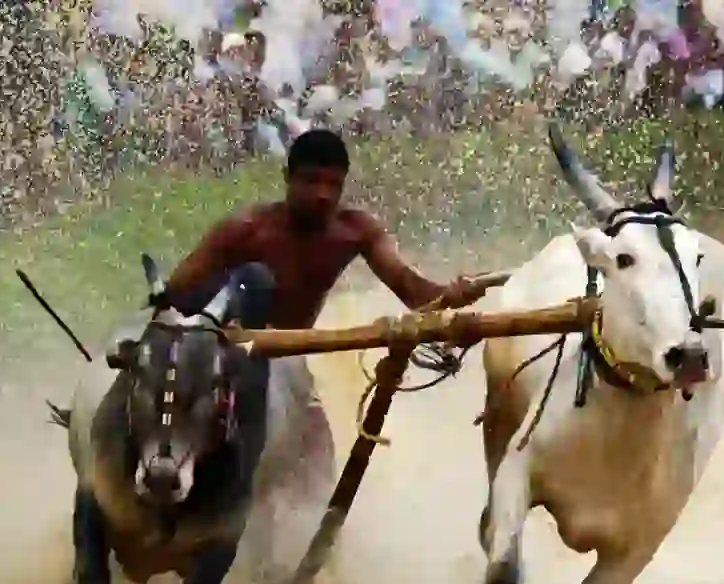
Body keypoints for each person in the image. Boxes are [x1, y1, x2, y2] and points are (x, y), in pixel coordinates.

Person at [158, 128, 486, 500]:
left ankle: (316, 550)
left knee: (319, 468)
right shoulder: (246, 230)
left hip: (293, 363)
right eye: (311, 181)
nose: (322, 195)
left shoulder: (354, 231)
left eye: (334, 184)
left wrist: (452, 297)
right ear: (288, 178)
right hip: (230, 359)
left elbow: (412, 291)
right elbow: (173, 295)